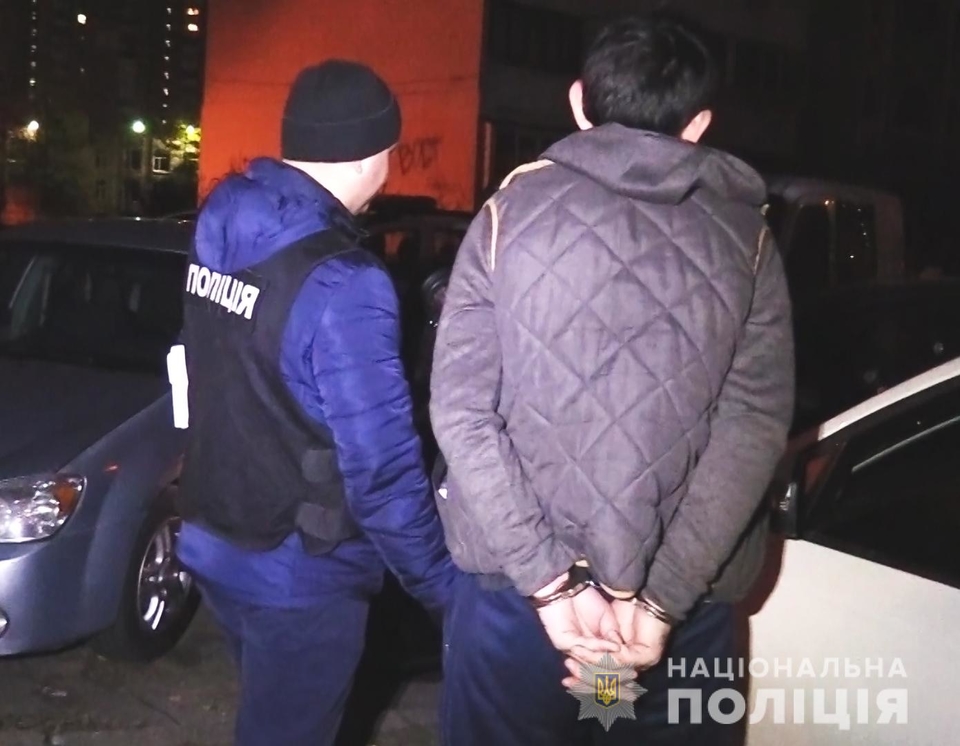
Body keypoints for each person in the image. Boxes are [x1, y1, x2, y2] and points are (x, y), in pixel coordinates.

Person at [429, 13, 794, 746]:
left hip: (520, 606)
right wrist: (658, 603)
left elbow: (463, 414)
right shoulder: (749, 242)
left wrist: (551, 583)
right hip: (681, 611)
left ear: (577, 102)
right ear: (698, 124)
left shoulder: (507, 216)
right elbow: (752, 430)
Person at [173, 60, 456, 746]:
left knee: (270, 719)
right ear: (367, 156)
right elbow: (382, 473)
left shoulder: (222, 215)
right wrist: (449, 594)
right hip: (298, 575)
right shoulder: (347, 282)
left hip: (215, 537)